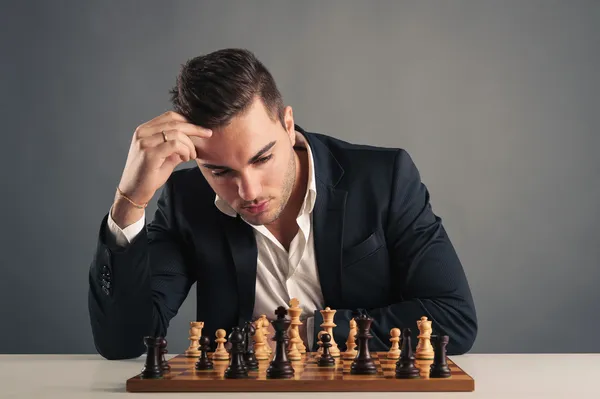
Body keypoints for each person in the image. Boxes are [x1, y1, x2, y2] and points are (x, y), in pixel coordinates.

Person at [88, 48, 477, 360]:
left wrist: (310, 331)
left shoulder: (384, 179)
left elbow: (454, 319)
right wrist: (130, 201)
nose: (249, 191)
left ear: (288, 124)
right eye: (220, 172)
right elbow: (123, 343)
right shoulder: (187, 201)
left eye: (262, 158)